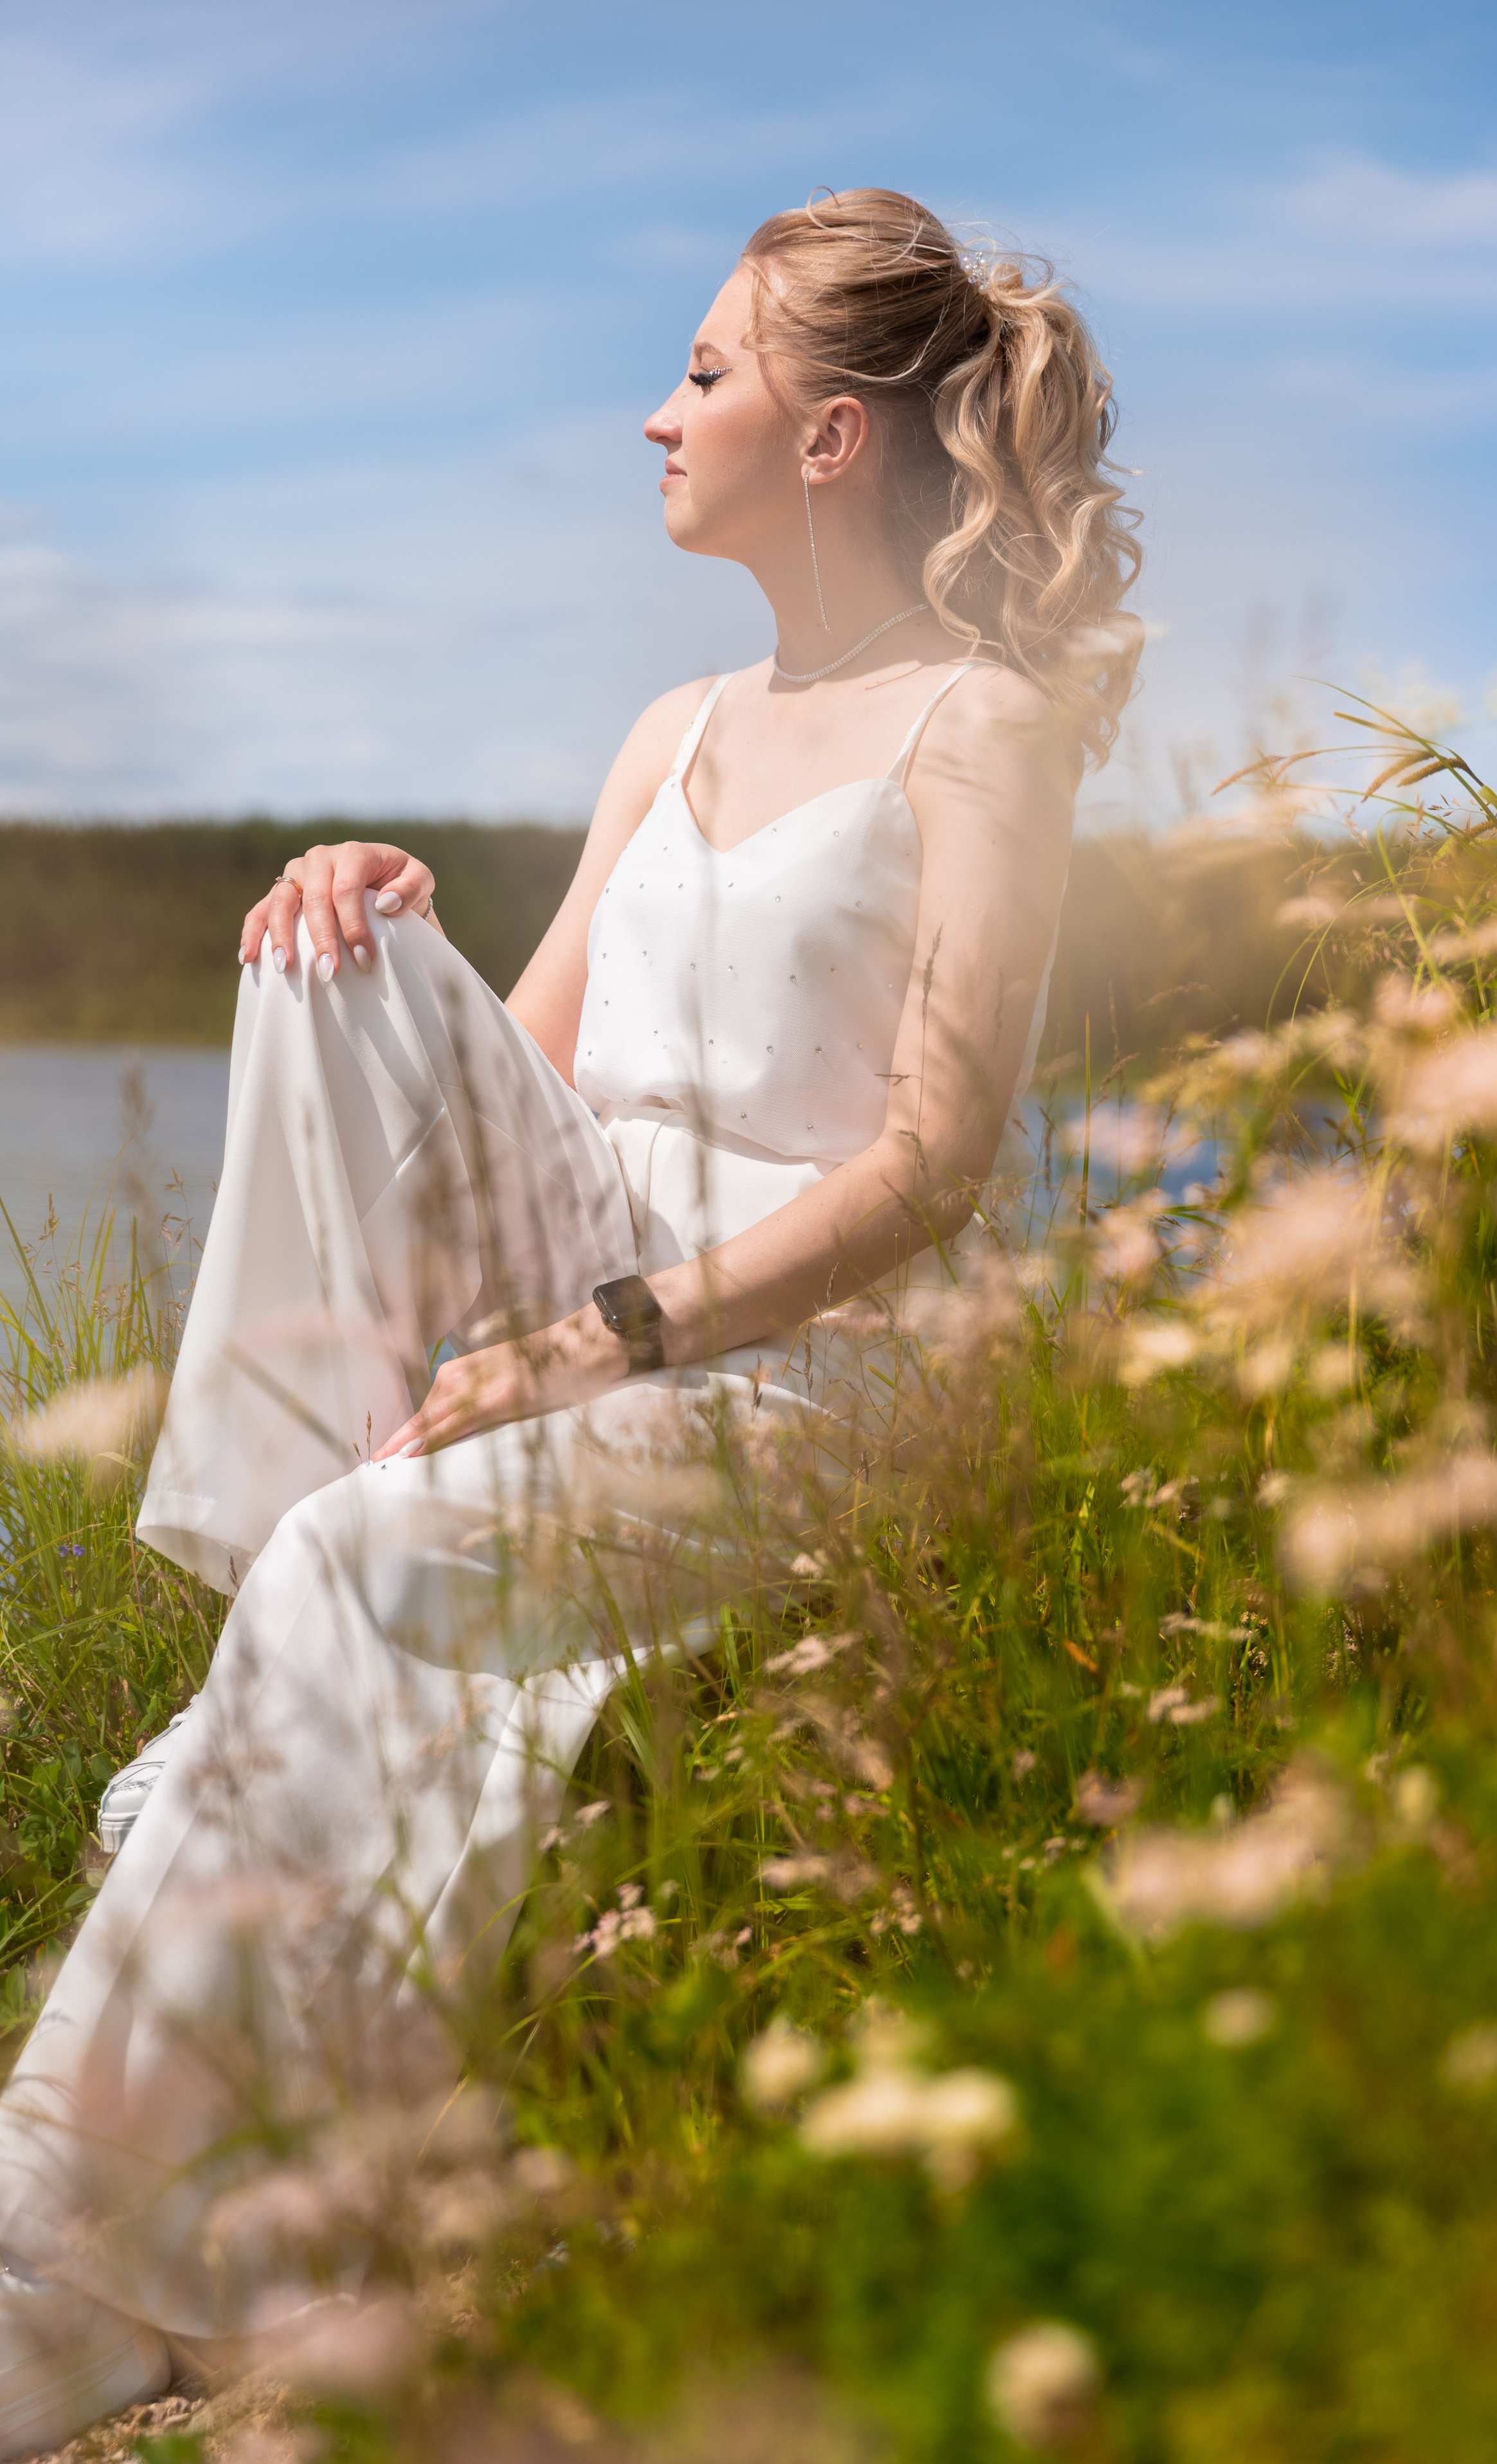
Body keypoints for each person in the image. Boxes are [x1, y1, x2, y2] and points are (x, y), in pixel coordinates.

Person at [0, 187, 1138, 2451]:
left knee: (346, 1565)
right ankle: (95, 2204)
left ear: (828, 437)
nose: (658, 410)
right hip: (593, 1272)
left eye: (704, 374)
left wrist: (605, 1337)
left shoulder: (982, 731)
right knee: (324, 959)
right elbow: (509, 1077)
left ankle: (101, 2254)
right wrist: (365, 910)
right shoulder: (679, 725)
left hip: (813, 1360)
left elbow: (935, 1166)